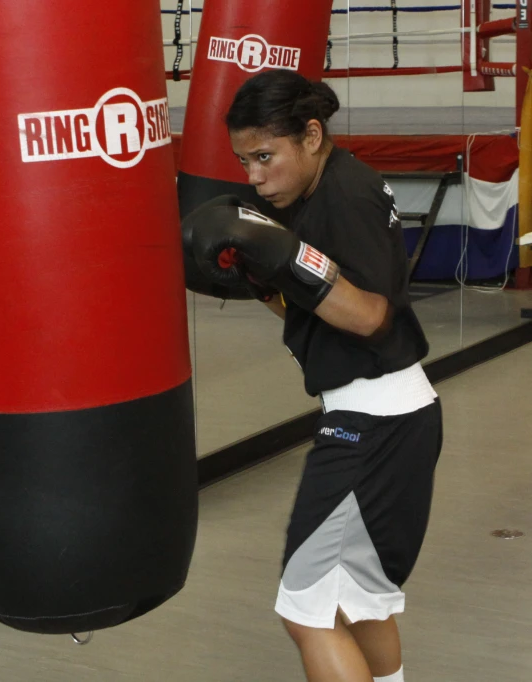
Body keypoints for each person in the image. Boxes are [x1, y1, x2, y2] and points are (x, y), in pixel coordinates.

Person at [184, 68, 443, 682]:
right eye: (245, 161)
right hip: (392, 416)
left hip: (372, 425)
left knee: (306, 609)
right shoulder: (316, 192)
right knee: (359, 597)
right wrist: (261, 277)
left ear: (311, 134)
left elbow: (372, 316)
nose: (254, 176)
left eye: (265, 156)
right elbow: (312, 306)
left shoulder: (344, 196)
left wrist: (286, 259)